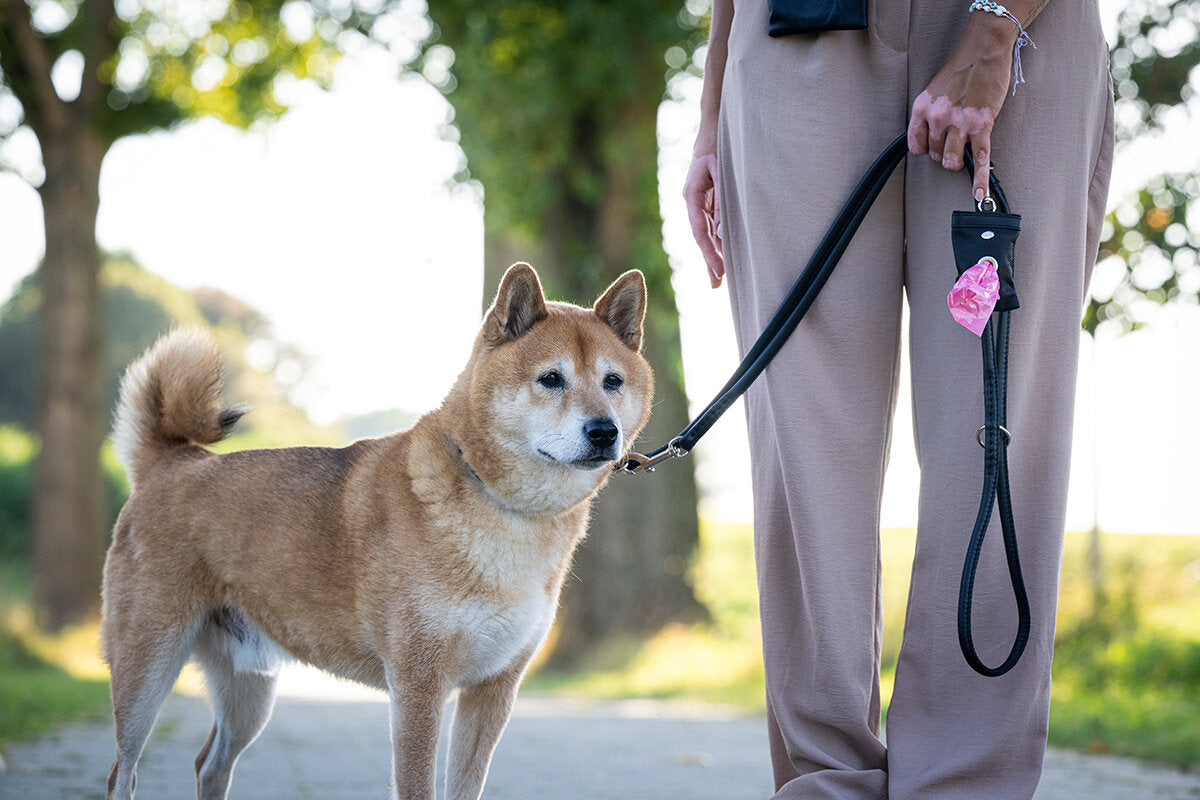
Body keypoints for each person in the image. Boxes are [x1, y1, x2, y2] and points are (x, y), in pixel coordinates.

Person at [683, 1, 1113, 798]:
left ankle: (966, 784)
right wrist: (712, 109)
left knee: (996, 438)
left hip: (1023, 30)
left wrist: (992, 34)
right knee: (804, 443)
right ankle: (824, 783)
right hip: (793, 39)